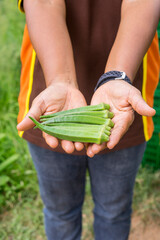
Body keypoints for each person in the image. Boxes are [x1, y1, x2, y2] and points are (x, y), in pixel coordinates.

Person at [17, 0, 160, 239]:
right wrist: (60, 79)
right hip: (50, 93)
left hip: (125, 94)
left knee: (114, 211)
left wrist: (117, 76)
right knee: (60, 212)